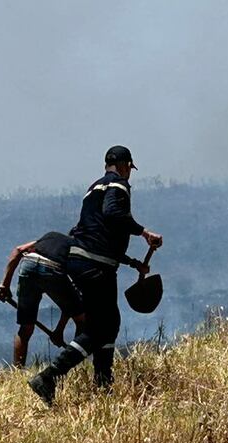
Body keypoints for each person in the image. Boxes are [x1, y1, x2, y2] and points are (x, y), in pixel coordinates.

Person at [27, 145, 162, 405]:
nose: (129, 173)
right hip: (96, 266)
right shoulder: (119, 185)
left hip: (82, 261)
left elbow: (94, 234)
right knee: (102, 327)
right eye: (129, 168)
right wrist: (144, 232)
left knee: (107, 323)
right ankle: (50, 376)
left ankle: (103, 383)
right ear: (125, 165)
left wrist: (133, 263)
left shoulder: (93, 189)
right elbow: (113, 215)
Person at [0, 230, 86, 367]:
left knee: (26, 327)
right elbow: (71, 302)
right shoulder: (77, 249)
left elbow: (18, 250)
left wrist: (4, 285)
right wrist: (59, 330)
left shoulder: (49, 237)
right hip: (53, 268)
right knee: (81, 320)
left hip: (28, 264)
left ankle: (17, 370)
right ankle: (75, 365)